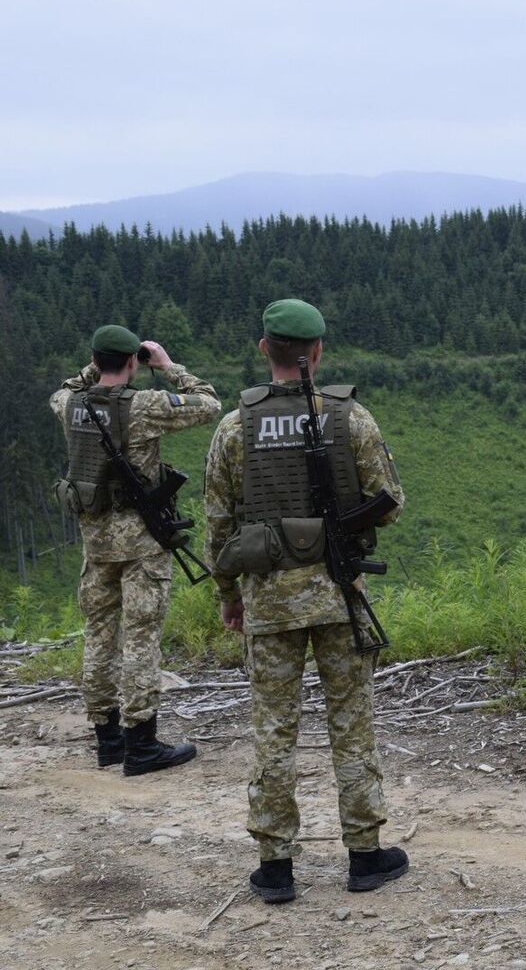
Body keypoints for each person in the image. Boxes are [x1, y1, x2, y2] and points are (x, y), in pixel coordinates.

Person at [203, 298, 408, 904]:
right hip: (341, 597)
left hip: (268, 601)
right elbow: (391, 500)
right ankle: (365, 855)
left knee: (273, 731)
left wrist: (228, 597)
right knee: (352, 727)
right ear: (318, 352)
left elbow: (218, 526)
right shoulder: (352, 418)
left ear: (265, 348)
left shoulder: (235, 427)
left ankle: (275, 866)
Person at [50, 325, 221, 774]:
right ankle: (142, 743)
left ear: (94, 359)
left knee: (99, 636)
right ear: (132, 363)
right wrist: (166, 366)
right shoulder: (143, 406)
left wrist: (99, 364)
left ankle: (107, 741)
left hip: (96, 543)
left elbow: (68, 386)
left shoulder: (69, 405)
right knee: (141, 638)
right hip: (143, 543)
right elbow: (208, 402)